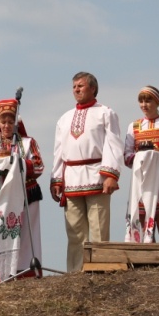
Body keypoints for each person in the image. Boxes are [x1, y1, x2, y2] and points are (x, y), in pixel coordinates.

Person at [50, 72, 125, 272]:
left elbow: (114, 145)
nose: (76, 89)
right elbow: (59, 151)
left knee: (99, 228)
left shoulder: (106, 113)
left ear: (93, 88)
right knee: (74, 231)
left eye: (81, 86)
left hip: (97, 175)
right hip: (71, 179)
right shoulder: (64, 119)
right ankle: (75, 272)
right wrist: (57, 179)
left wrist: (111, 174)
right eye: (74, 86)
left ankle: (99, 270)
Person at [0, 99, 45, 284]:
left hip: (25, 195)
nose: (6, 125)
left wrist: (18, 163)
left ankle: (25, 273)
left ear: (16, 123)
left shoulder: (28, 143)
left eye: (10, 122)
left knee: (25, 235)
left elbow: (39, 167)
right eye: (3, 122)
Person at [123, 86, 159, 243]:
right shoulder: (134, 126)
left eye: (148, 100)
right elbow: (127, 155)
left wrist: (157, 155)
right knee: (144, 224)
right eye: (141, 101)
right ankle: (147, 264)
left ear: (157, 102)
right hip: (141, 179)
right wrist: (142, 156)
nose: (144, 105)